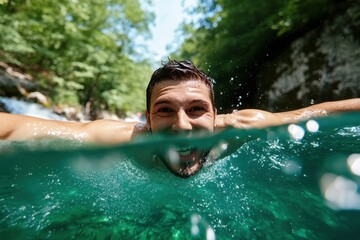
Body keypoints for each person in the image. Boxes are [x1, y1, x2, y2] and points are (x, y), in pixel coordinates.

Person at [0, 60, 359, 177]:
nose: (183, 127)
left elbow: (318, 112)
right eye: (165, 110)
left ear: (217, 114)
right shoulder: (124, 139)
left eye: (197, 109)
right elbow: (18, 127)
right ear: (147, 120)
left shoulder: (240, 129)